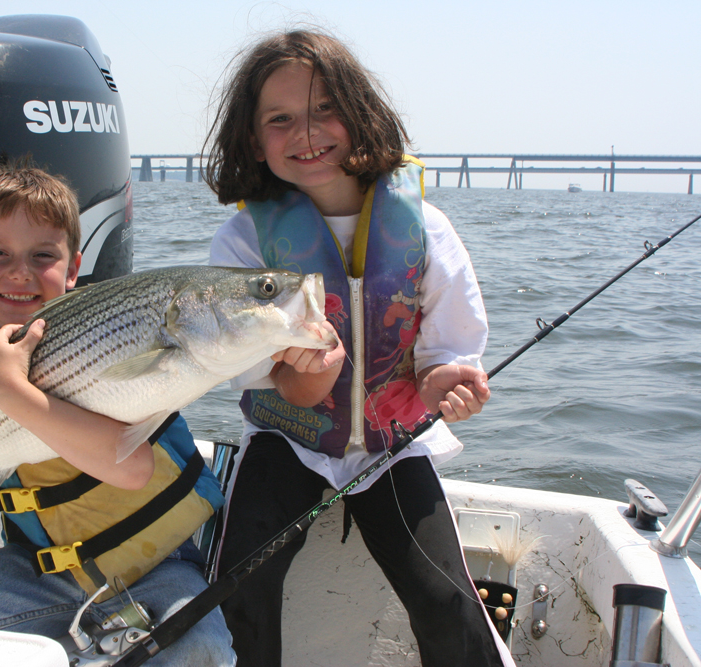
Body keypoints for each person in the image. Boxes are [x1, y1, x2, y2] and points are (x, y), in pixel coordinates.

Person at [204, 31, 514, 667]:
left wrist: (445, 382)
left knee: (448, 602)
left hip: (392, 446)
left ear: (361, 112)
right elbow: (263, 377)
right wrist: (308, 381)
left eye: (325, 109)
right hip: (287, 440)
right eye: (279, 119)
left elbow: (447, 354)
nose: (306, 132)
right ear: (253, 139)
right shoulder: (243, 244)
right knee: (237, 590)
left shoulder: (427, 229)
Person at [0, 162, 235, 666]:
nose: (20, 272)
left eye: (43, 255)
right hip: (38, 574)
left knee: (200, 649)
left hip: (158, 567)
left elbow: (132, 467)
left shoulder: (108, 331)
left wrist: (12, 393)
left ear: (73, 269)